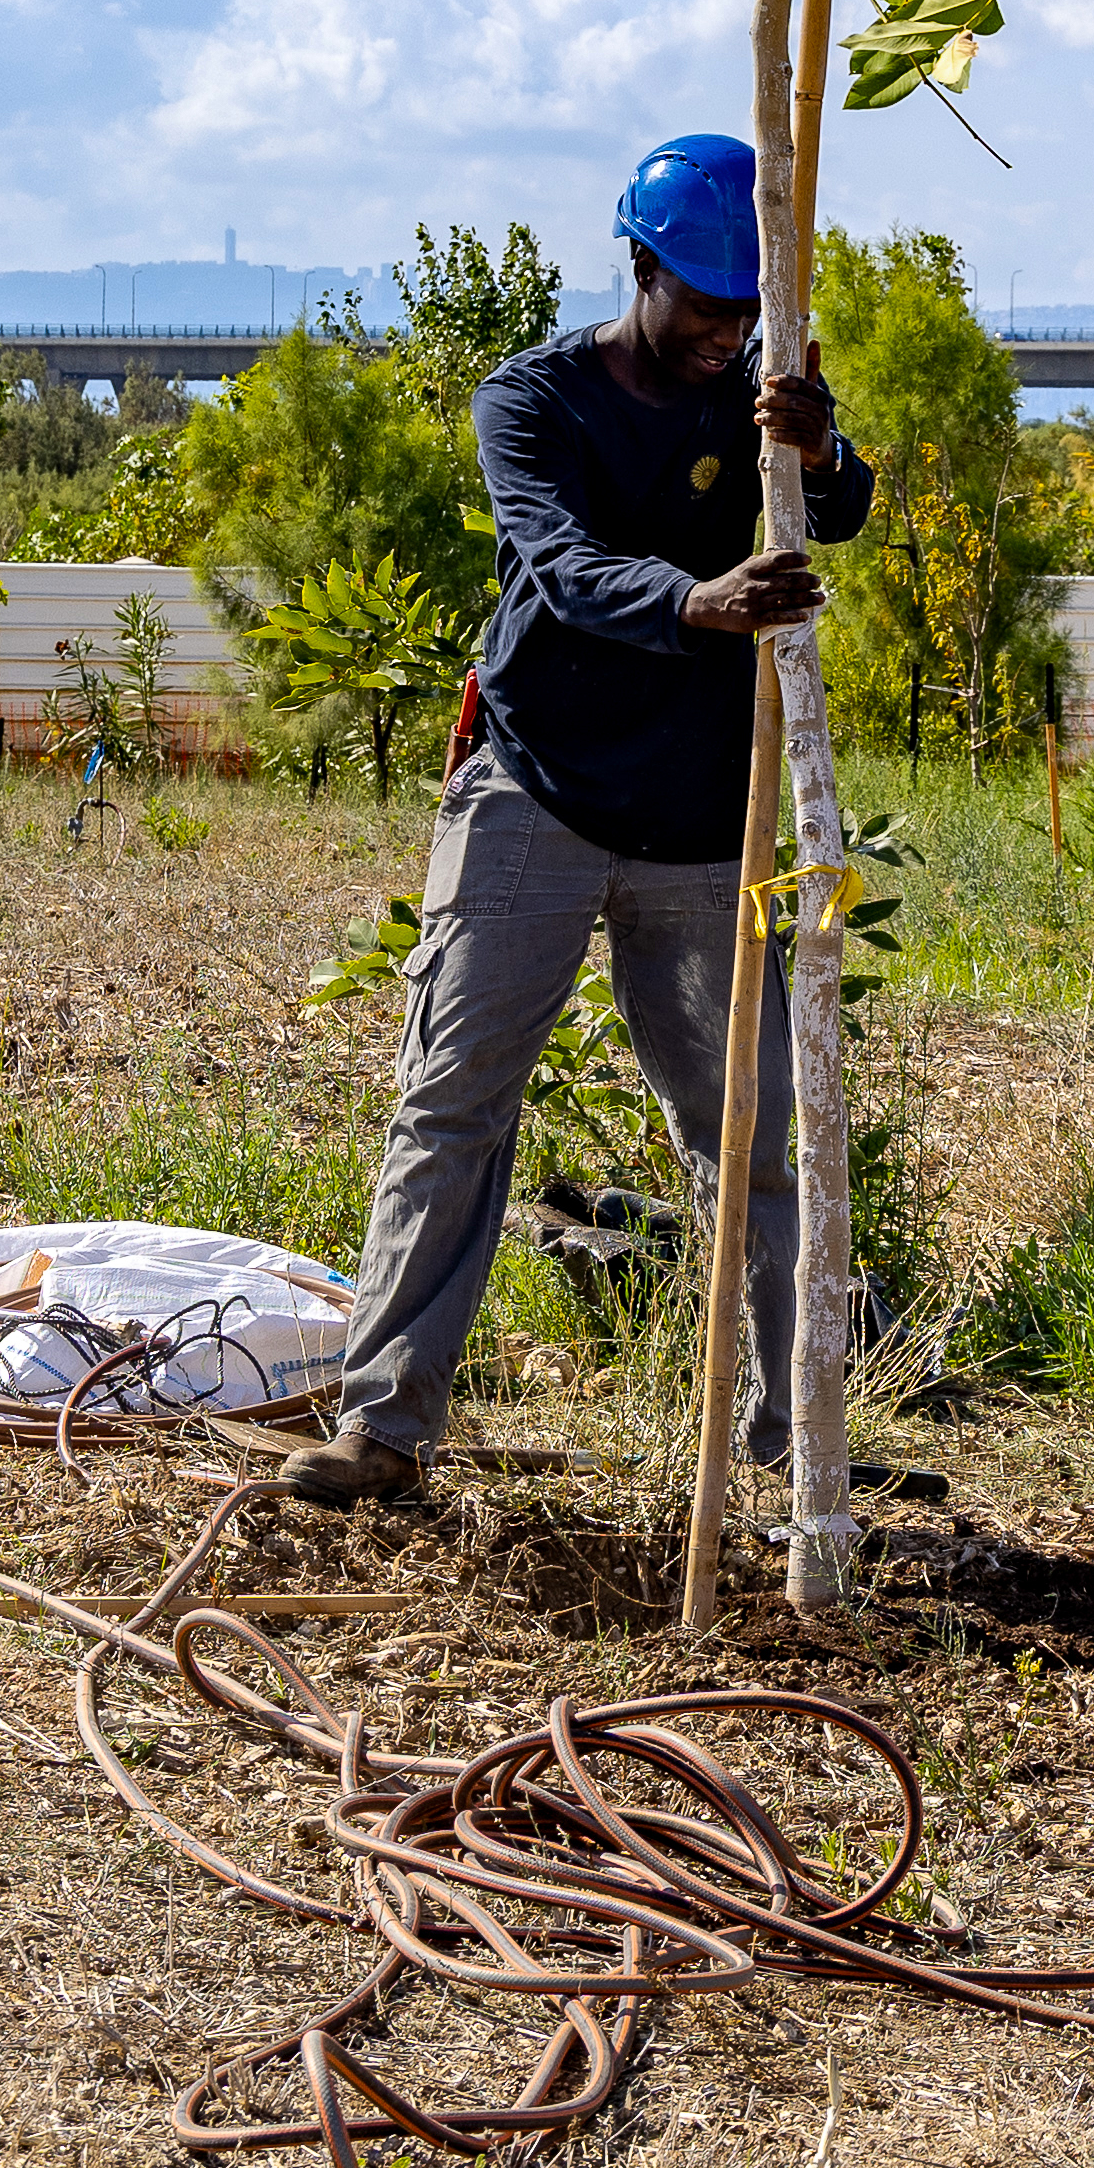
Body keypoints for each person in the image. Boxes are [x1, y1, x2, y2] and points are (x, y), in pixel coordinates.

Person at [282, 134, 873, 1508]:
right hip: (533, 796)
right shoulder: (532, 399)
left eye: (751, 308)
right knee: (452, 1107)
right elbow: (558, 563)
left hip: (700, 825)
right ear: (642, 271)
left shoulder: (760, 390)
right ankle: (385, 1429)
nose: (729, 332)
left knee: (757, 1140)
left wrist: (822, 442)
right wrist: (697, 602)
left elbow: (838, 509)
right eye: (707, 304)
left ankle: (797, 1450)